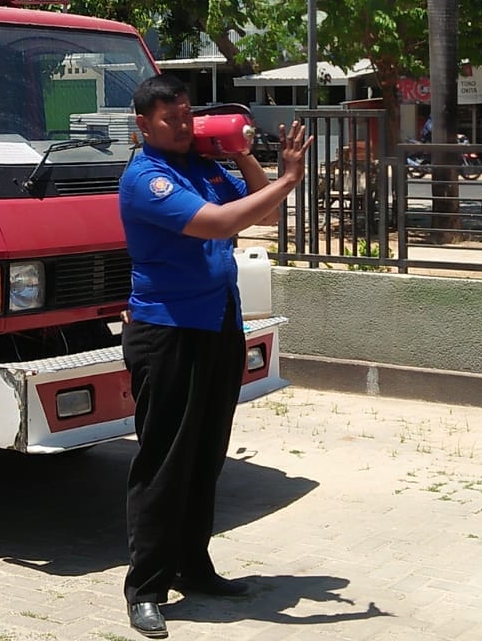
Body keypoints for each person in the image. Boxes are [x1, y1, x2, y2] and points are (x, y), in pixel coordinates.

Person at [118, 75, 312, 639]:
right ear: (144, 125)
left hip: (219, 323)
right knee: (165, 461)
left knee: (206, 454)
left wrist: (242, 152)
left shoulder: (203, 168)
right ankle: (146, 589)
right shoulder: (147, 178)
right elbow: (224, 223)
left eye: (187, 116)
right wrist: (290, 178)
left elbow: (262, 215)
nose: (183, 126)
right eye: (170, 118)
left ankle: (194, 566)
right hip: (168, 331)